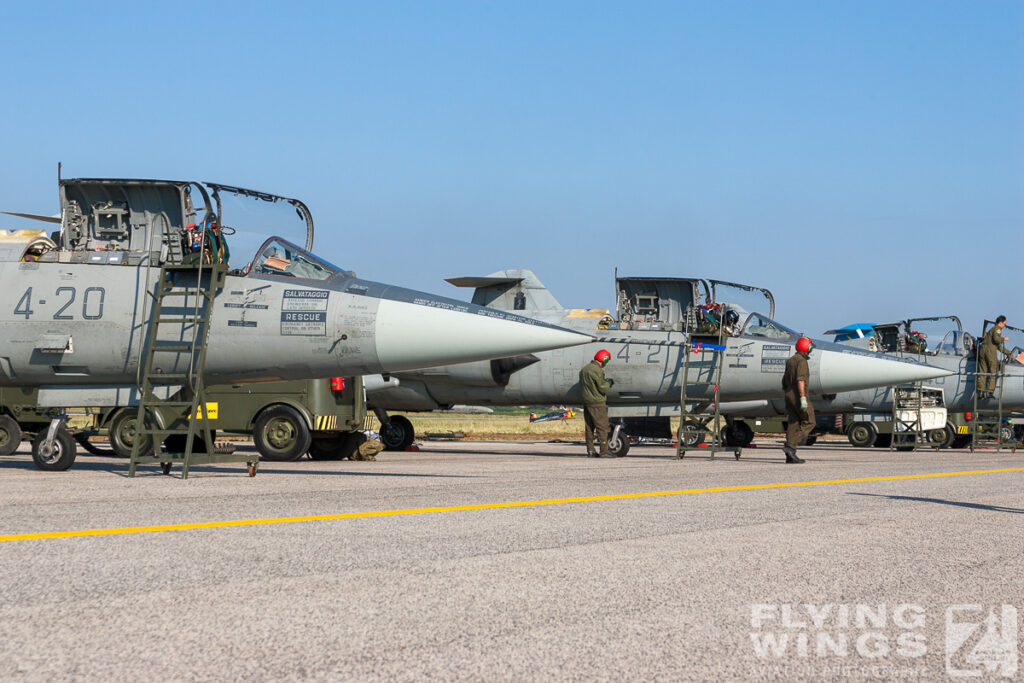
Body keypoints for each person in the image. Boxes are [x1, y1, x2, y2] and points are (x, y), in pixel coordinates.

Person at [781, 337, 815, 464]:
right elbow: (800, 380)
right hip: (799, 395)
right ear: (806, 347)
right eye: (810, 346)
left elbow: (784, 381)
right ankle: (790, 446)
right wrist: (802, 398)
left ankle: (790, 456)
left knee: (793, 423)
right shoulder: (802, 361)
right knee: (810, 422)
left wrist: (787, 395)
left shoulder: (790, 361)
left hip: (789, 395)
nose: (811, 348)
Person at [579, 349, 614, 457]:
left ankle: (590, 450)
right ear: (604, 360)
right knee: (602, 427)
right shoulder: (597, 370)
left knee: (589, 427)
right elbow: (603, 388)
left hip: (587, 402)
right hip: (597, 402)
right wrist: (608, 383)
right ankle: (604, 451)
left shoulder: (584, 369)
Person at [977, 315, 1011, 398]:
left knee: (982, 371)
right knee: (993, 371)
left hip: (982, 350)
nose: (1004, 326)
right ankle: (989, 392)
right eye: (1004, 324)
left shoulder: (990, 330)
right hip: (990, 351)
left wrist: (1008, 352)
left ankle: (981, 392)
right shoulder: (997, 329)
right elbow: (997, 340)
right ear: (1000, 323)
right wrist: (1004, 339)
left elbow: (998, 346)